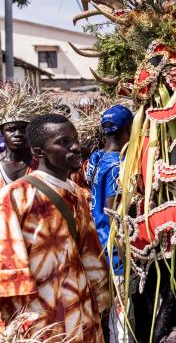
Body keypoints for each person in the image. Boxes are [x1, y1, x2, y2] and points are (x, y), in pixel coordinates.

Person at [0, 114, 109, 341]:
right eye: (63, 142)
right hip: (42, 322)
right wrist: (20, 325)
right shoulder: (15, 196)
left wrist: (101, 301)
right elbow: (8, 270)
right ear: (39, 152)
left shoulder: (77, 193)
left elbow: (91, 256)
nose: (76, 147)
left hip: (82, 317)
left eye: (75, 139)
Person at [86, 104, 133, 342]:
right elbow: (114, 208)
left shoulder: (95, 158)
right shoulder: (117, 165)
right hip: (114, 250)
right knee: (122, 318)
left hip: (96, 244)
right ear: (129, 128)